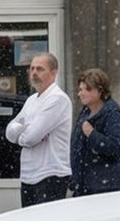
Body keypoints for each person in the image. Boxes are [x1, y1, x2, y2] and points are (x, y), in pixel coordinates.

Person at [5, 53, 72, 207]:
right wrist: (25, 132)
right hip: (28, 174)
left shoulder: (57, 99)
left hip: (50, 173)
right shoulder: (31, 100)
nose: (34, 73)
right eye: (32, 68)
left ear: (54, 73)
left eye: (40, 69)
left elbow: (30, 137)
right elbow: (9, 132)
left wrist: (22, 135)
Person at [70, 68, 120, 196]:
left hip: (106, 189)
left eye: (86, 89)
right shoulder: (85, 112)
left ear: (100, 90)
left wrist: (92, 135)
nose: (80, 94)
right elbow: (77, 149)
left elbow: (117, 148)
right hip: (85, 187)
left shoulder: (112, 114)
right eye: (80, 90)